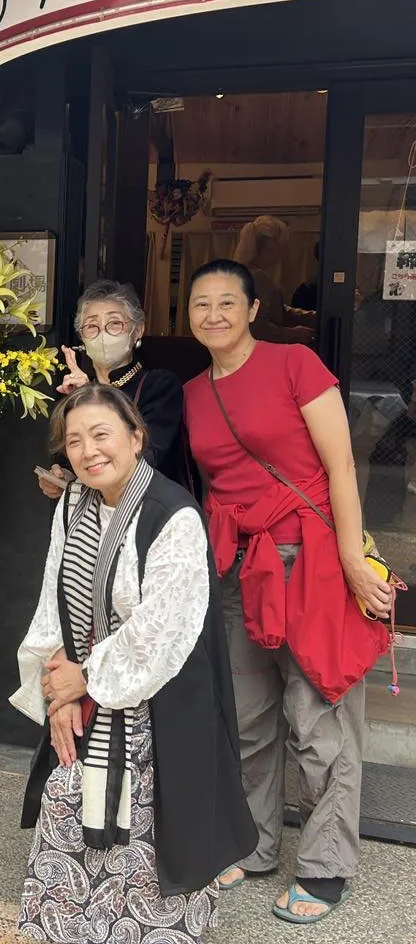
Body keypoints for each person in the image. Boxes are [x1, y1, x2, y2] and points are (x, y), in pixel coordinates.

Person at [183, 258, 390, 925]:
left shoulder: (294, 364)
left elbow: (339, 467)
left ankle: (327, 868)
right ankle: (258, 843)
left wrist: (355, 557)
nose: (213, 315)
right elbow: (216, 486)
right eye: (200, 305)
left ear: (250, 309)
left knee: (319, 719)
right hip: (239, 569)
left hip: (309, 563)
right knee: (245, 720)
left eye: (225, 303)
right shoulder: (192, 392)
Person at [12, 384, 255, 944]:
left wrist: (87, 676)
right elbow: (54, 597)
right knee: (72, 802)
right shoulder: (74, 502)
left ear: (136, 437)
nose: (88, 451)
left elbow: (160, 631)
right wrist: (59, 690)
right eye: (74, 441)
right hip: (86, 700)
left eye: (101, 435)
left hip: (159, 701)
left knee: (149, 834)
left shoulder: (174, 515)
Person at [36, 280, 185, 499]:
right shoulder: (75, 391)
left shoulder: (161, 386)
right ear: (82, 337)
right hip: (92, 520)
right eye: (92, 326)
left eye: (115, 323)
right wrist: (63, 476)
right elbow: (71, 459)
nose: (103, 334)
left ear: (138, 330)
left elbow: (145, 457)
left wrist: (91, 398)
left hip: (147, 514)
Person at [232, 216, 315, 344]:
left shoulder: (239, 274)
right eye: (282, 246)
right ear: (271, 246)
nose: (283, 252)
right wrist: (293, 334)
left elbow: (277, 310)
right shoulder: (258, 278)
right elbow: (258, 328)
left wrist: (312, 317)